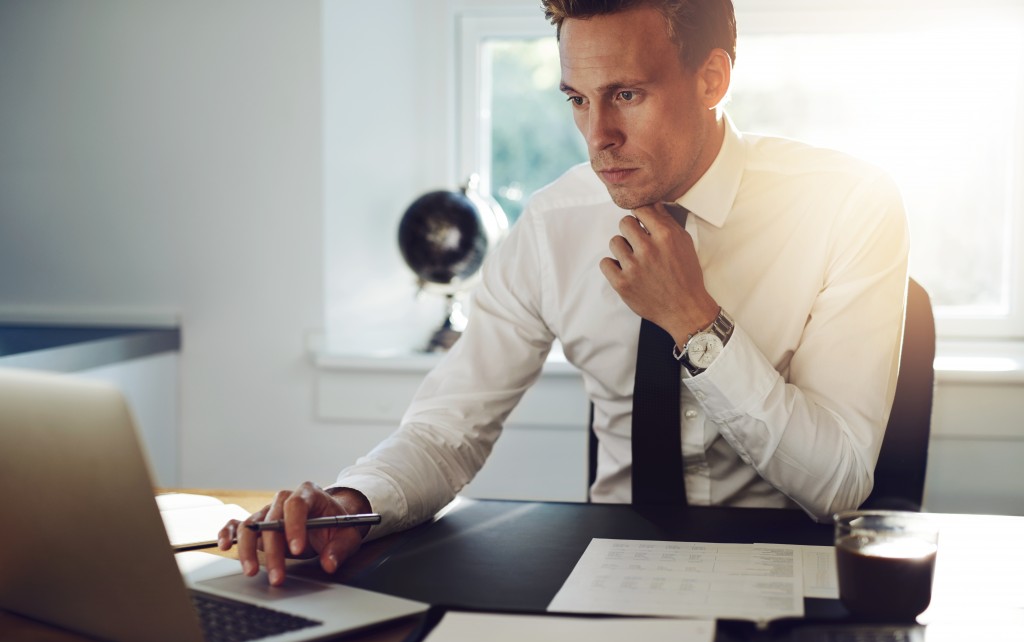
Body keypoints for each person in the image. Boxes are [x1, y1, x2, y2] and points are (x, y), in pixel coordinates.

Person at [220, 0, 909, 586]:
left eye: (627, 95)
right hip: (607, 572)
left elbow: (840, 484)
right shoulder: (555, 225)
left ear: (712, 78)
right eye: (578, 99)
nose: (598, 138)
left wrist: (693, 321)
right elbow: (446, 432)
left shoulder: (847, 205)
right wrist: (351, 504)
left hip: (790, 573)